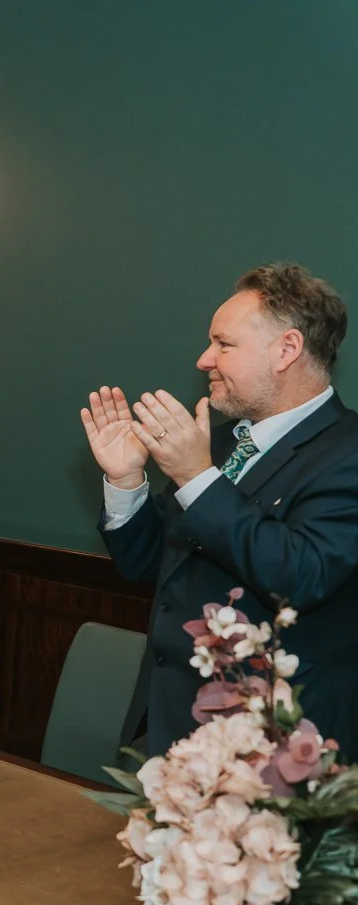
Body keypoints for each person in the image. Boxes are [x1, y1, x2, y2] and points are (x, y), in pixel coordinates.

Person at [84, 263, 358, 757]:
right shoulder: (221, 440)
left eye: (224, 344)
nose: (204, 359)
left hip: (275, 747)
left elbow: (305, 574)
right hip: (173, 726)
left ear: (287, 350)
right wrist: (126, 481)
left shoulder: (347, 453)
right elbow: (154, 567)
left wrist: (197, 478)